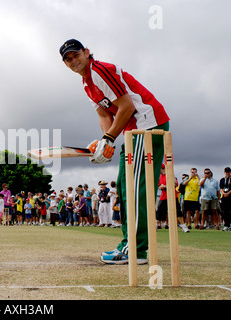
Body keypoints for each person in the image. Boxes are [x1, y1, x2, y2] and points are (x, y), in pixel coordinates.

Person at [60, 39, 170, 264]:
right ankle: (128, 243)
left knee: (135, 188)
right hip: (132, 131)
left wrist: (109, 137)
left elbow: (127, 106)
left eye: (76, 55)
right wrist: (105, 142)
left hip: (148, 125)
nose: (73, 61)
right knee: (123, 185)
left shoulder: (100, 71)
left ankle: (137, 250)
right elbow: (104, 115)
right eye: (68, 59)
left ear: (87, 52)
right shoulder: (86, 84)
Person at [220, 167, 231, 231]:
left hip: (230, 196)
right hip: (224, 197)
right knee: (225, 211)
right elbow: (221, 188)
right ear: (224, 172)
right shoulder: (222, 179)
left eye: (228, 172)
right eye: (226, 172)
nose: (227, 173)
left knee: (230, 211)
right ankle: (226, 225)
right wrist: (224, 193)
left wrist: (228, 193)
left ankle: (230, 225)